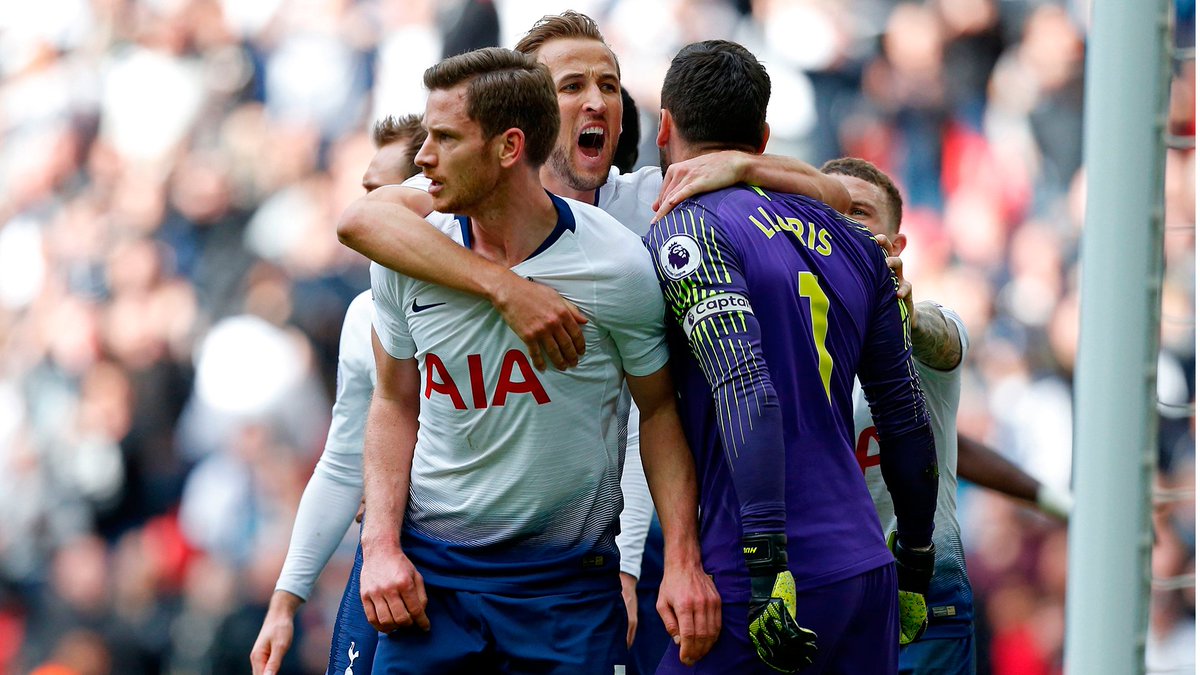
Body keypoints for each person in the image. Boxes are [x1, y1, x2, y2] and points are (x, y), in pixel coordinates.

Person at [334, 10, 850, 665]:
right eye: (572, 84)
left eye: (608, 84)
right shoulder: (438, 201)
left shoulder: (643, 217)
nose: (598, 100)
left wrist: (743, 171)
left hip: (577, 562)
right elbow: (362, 228)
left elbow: (654, 410)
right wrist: (506, 287)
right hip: (438, 562)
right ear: (518, 125)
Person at [342, 47, 720, 673]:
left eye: (444, 138)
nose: (423, 157)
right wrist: (380, 546)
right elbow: (394, 400)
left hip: (566, 587)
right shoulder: (407, 255)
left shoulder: (617, 265)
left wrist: (681, 560)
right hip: (434, 580)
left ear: (508, 147)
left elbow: (657, 412)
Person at [643, 40, 939, 674]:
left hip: (763, 573)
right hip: (868, 570)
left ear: (664, 125)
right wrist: (916, 560)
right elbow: (906, 415)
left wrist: (767, 568)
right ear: (765, 134)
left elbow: (746, 387)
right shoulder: (856, 241)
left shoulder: (684, 226)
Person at [824, 155, 1073, 674]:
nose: (844, 222)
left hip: (927, 598)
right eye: (830, 208)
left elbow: (939, 341)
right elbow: (945, 446)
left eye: (861, 212)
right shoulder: (791, 335)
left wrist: (903, 315)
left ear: (896, 244)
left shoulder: (931, 332)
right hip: (827, 593)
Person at [248, 114, 426, 675]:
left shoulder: (509, 295)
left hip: (494, 566)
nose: (358, 213)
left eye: (378, 192)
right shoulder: (363, 315)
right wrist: (286, 601)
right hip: (386, 566)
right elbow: (344, 461)